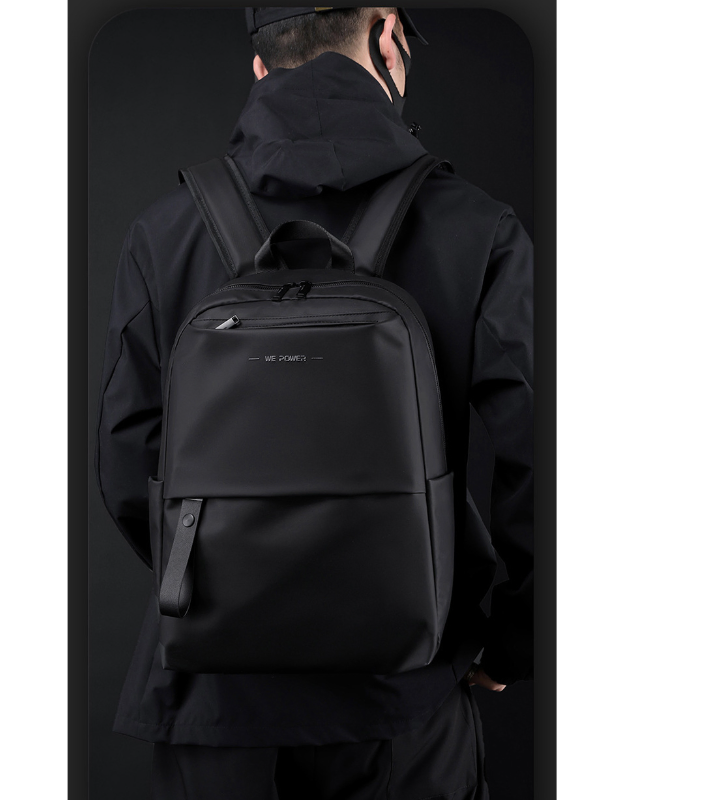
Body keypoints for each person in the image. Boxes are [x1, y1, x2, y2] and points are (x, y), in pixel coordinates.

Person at [95, 7, 533, 798]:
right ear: (388, 35)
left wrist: (224, 582)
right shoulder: (478, 227)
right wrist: (511, 638)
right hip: (407, 696)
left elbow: (129, 464)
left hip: (209, 706)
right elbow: (537, 461)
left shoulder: (164, 231)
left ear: (260, 68)